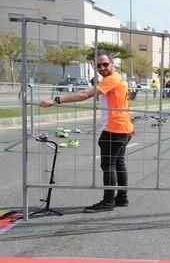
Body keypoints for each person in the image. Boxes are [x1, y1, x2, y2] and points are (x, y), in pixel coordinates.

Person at [40, 50, 133, 212]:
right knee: (118, 163)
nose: (102, 68)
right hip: (123, 127)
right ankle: (122, 198)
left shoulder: (111, 79)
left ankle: (108, 201)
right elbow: (122, 104)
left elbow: (85, 94)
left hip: (114, 129)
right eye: (99, 65)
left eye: (105, 64)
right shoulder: (118, 80)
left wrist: (56, 100)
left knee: (109, 165)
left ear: (112, 64)